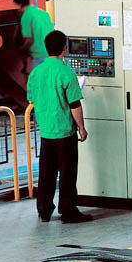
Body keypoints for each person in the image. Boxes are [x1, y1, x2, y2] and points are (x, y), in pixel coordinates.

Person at [27, 30, 92, 223]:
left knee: (46, 174)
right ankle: (68, 210)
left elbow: (31, 99)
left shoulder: (35, 73)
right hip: (64, 133)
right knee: (67, 174)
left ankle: (44, 210)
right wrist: (81, 127)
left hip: (46, 132)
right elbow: (74, 105)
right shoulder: (67, 74)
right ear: (65, 48)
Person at [13, 0, 54, 70]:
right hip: (51, 53)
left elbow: (29, 39)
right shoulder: (43, 13)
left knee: (39, 77)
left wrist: (21, 49)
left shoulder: (27, 15)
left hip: (39, 55)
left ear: (18, 4)